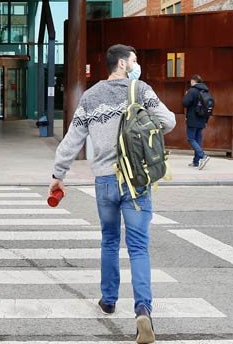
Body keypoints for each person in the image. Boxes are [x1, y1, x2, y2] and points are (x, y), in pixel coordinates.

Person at [49, 44, 175, 344]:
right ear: (122, 64)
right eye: (134, 61)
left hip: (105, 181)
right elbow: (168, 121)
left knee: (108, 239)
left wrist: (58, 175)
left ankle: (108, 300)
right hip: (136, 180)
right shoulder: (141, 90)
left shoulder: (91, 97)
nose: (137, 65)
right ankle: (143, 309)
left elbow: (73, 138)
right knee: (139, 247)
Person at [183, 74, 211, 169]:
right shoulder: (206, 91)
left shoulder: (192, 91)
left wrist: (186, 95)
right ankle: (196, 161)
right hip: (203, 119)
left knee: (191, 138)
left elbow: (185, 103)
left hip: (193, 118)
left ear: (193, 81)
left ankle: (202, 156)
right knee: (197, 139)